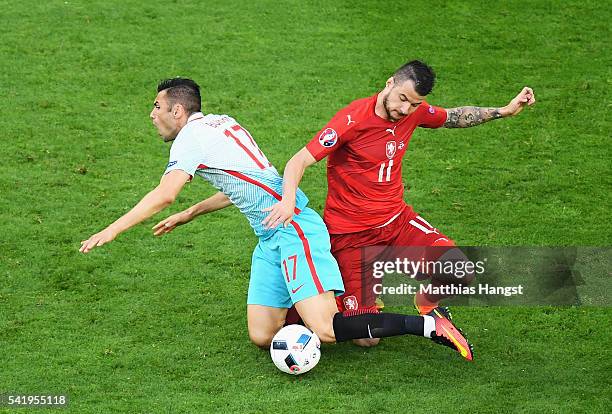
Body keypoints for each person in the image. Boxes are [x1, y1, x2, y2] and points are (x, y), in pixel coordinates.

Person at [79, 77, 474, 360]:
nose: (153, 115)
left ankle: (426, 325)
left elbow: (164, 193)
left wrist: (111, 229)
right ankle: (322, 300)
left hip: (294, 229)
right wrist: (193, 212)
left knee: (326, 330)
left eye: (156, 107)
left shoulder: (190, 140)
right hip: (270, 236)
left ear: (177, 110)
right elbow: (248, 185)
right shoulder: (222, 123)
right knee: (262, 335)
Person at [263, 60, 536, 347]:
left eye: (414, 104)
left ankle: (427, 306)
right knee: (365, 339)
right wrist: (288, 199)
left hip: (398, 224)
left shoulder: (412, 114)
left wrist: (504, 111)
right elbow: (299, 160)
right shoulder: (352, 120)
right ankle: (320, 302)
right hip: (351, 237)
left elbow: (453, 116)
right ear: (390, 83)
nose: (405, 109)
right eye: (403, 99)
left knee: (460, 271)